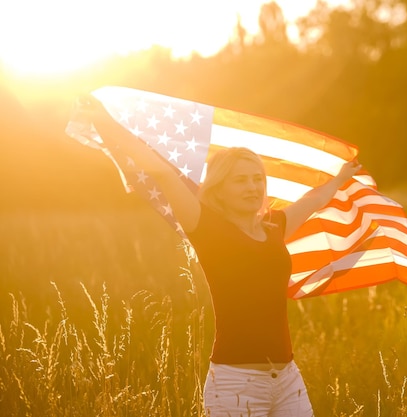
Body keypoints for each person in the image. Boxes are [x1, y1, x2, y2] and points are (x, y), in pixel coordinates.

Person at [79, 95, 361, 416]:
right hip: (235, 384)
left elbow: (315, 199)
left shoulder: (275, 227)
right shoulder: (206, 227)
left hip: (287, 380)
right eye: (241, 180)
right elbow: (162, 172)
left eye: (258, 179)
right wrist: (103, 121)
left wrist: (340, 177)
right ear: (220, 187)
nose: (253, 187)